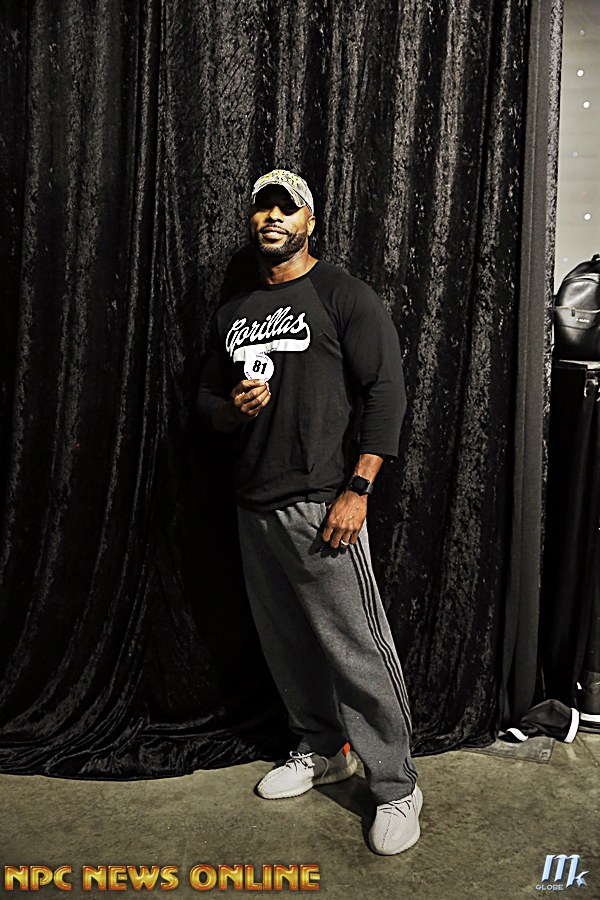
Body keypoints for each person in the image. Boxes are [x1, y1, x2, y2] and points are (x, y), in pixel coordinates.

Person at [197, 169, 421, 855]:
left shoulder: (342, 294)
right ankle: (324, 750)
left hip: (322, 501)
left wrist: (358, 488)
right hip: (253, 502)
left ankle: (397, 786)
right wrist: (232, 409)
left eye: (286, 208)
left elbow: (386, 392)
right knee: (287, 647)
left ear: (309, 222)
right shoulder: (233, 311)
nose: (273, 217)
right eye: (263, 207)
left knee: (356, 649)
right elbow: (205, 403)